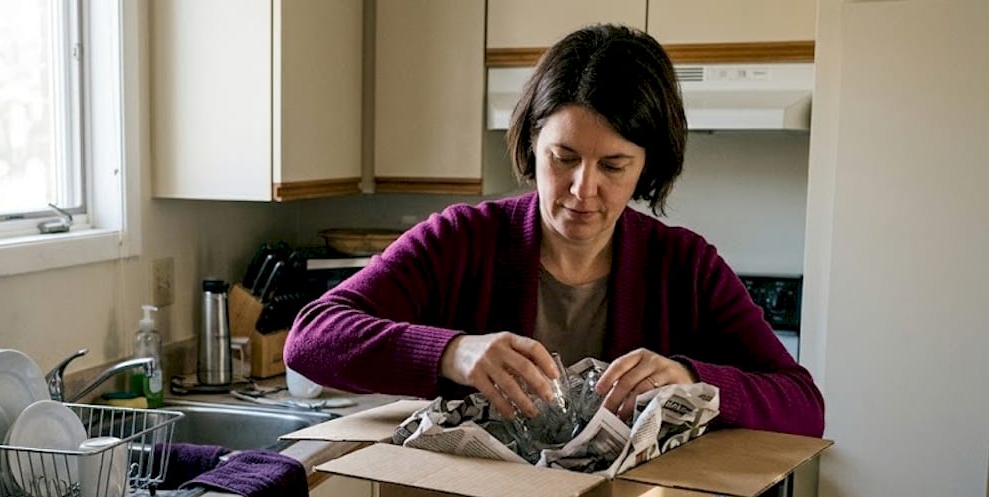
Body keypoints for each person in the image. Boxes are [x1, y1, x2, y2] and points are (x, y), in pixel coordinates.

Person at [284, 24, 824, 440]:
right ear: (532, 143)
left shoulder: (685, 266)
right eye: (563, 157)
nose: (582, 189)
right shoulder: (462, 240)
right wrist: (454, 353)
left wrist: (690, 380)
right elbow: (311, 338)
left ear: (647, 167)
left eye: (613, 166)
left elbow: (804, 405)